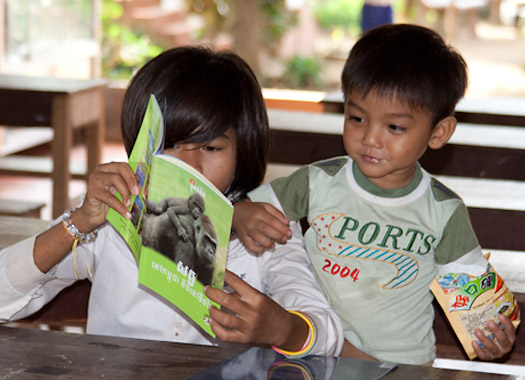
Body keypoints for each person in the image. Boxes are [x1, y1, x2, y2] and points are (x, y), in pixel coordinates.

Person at [0, 47, 343, 357]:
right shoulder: (114, 213)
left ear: (243, 149)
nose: (190, 166)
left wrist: (284, 329)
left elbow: (326, 333)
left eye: (211, 148)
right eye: (170, 146)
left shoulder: (266, 230)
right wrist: (78, 224)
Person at [233, 24, 516, 365]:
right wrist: (239, 213)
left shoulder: (443, 210)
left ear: (439, 132)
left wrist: (493, 338)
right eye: (357, 118)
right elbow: (245, 211)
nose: (370, 138)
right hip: (314, 351)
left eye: (394, 127)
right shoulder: (318, 181)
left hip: (404, 366)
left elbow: (475, 302)